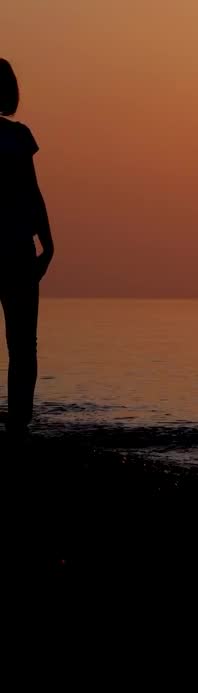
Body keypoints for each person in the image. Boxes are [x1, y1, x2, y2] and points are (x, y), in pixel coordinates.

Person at [0, 59, 54, 437]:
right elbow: (32, 194)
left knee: (22, 343)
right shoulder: (18, 137)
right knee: (23, 343)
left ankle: (19, 419)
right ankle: (19, 420)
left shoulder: (20, 137)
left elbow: (33, 194)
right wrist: (47, 243)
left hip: (18, 248)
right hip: (17, 247)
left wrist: (48, 243)